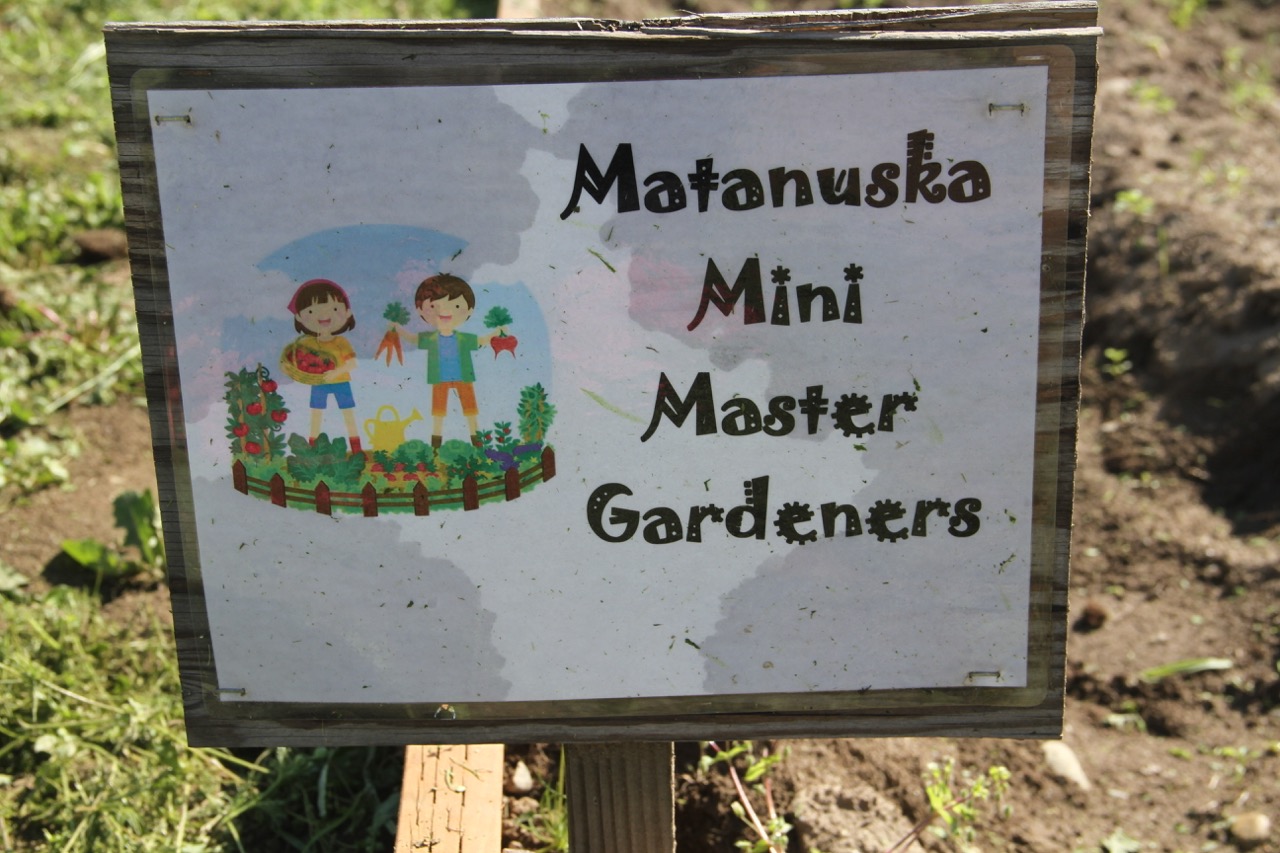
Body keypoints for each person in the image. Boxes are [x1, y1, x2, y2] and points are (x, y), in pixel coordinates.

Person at [396, 274, 504, 448]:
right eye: (434, 306)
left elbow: (482, 341)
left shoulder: (464, 339)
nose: (445, 311)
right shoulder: (430, 339)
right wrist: (397, 329)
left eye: (455, 306)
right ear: (420, 310)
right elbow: (413, 339)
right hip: (439, 380)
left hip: (464, 378)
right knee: (438, 414)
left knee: (470, 412)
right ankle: (436, 448)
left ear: (469, 310)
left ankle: (477, 446)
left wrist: (497, 331)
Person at [281, 278, 363, 453]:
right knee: (316, 415)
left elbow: (352, 363)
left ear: (347, 313)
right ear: (299, 317)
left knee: (348, 414)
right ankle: (312, 450)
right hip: (319, 383)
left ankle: (357, 449)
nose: (324, 316)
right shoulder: (307, 343)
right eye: (311, 311)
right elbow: (300, 361)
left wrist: (336, 372)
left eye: (334, 309)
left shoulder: (341, 342)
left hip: (341, 382)